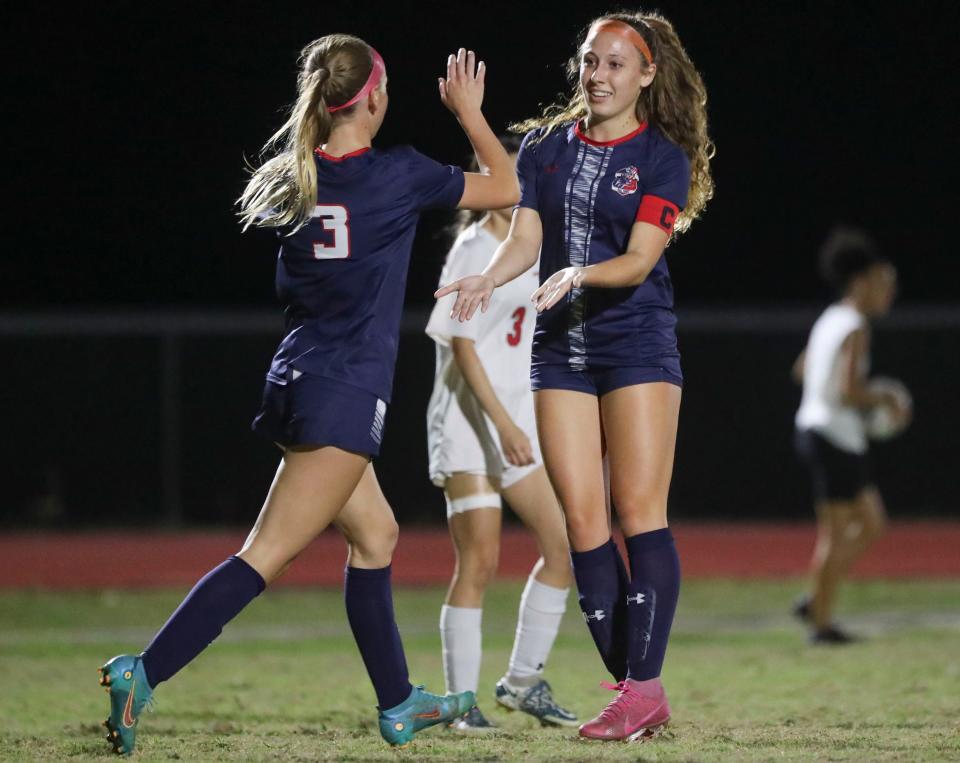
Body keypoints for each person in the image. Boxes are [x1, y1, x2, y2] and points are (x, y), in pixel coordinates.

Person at [96, 35, 519, 755]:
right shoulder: (399, 175)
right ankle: (144, 669)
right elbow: (506, 187)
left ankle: (397, 701)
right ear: (375, 97)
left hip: (298, 378)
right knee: (264, 555)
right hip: (342, 392)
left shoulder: (293, 176)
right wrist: (472, 115)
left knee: (376, 535)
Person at [435, 10, 714, 743]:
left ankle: (640, 687)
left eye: (616, 63)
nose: (598, 74)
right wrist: (486, 281)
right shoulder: (545, 148)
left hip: (635, 344)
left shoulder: (662, 157)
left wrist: (579, 272)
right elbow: (526, 234)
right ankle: (637, 689)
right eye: (592, 60)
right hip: (560, 351)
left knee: (637, 511)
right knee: (582, 523)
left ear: (646, 74)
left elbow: (640, 260)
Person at [426, 135, 577, 733]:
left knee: (563, 546)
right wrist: (506, 423)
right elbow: (462, 346)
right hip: (469, 423)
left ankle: (521, 681)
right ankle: (461, 707)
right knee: (480, 559)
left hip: (515, 420)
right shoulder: (472, 247)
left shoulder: (529, 246)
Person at [792, 227, 905, 644]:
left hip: (821, 431)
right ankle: (820, 624)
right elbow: (848, 391)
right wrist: (888, 399)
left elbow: (802, 369)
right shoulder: (855, 325)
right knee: (838, 534)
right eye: (882, 283)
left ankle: (816, 597)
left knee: (873, 523)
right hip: (832, 435)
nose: (887, 292)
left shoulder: (830, 318)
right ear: (861, 282)